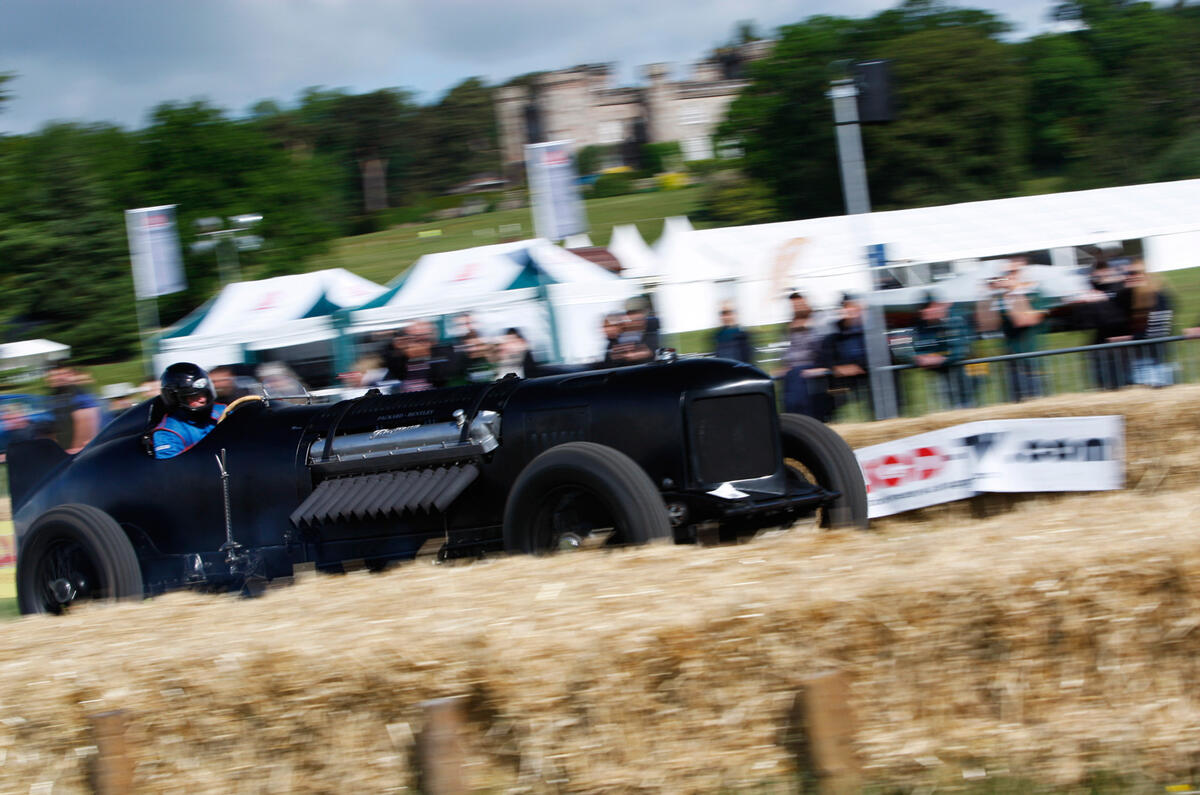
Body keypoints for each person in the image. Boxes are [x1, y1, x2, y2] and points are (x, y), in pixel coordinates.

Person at [976, 256, 1047, 402]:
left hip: (1031, 356)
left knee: (1036, 402)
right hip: (1010, 358)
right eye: (1005, 273)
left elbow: (1024, 320)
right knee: (1016, 402)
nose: (1007, 277)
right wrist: (985, 295)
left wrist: (1015, 290)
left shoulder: (1035, 292)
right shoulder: (1001, 297)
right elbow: (986, 325)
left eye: (1013, 272)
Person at [901, 290, 974, 410]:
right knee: (947, 409)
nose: (922, 312)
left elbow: (962, 347)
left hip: (966, 376)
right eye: (921, 309)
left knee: (966, 408)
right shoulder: (922, 323)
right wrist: (917, 358)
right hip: (943, 378)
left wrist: (941, 359)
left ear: (935, 305)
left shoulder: (956, 317)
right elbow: (907, 346)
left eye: (926, 307)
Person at [151, 362, 226, 460]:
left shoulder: (223, 412)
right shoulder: (167, 434)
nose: (202, 399)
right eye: (194, 396)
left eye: (204, 394)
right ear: (176, 399)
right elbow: (171, 471)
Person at [816, 293, 870, 422]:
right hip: (842, 382)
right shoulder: (833, 335)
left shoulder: (871, 333)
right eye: (847, 307)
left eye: (854, 306)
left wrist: (859, 366)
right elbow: (823, 358)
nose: (851, 310)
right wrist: (835, 368)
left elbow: (884, 356)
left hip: (868, 377)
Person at [778, 291, 829, 420]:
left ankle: (803, 421)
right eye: (794, 305)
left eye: (799, 303)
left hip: (810, 367)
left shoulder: (817, 321)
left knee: (799, 389)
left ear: (806, 303)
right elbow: (787, 350)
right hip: (793, 370)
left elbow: (821, 348)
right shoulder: (789, 326)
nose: (797, 307)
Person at [46, 364, 102, 454]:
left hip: (77, 452)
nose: (58, 378)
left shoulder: (80, 396)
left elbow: (87, 421)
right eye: (54, 375)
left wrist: (76, 451)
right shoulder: (56, 396)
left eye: (63, 374)